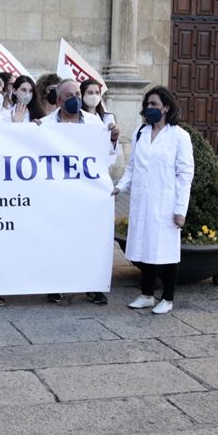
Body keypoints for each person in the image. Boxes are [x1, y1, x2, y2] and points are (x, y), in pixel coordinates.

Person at [40, 79, 121, 305]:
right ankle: (55, 285)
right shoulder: (44, 125)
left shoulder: (96, 124)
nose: (74, 98)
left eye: (77, 93)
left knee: (89, 241)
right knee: (57, 240)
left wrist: (112, 140)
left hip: (87, 195)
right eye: (68, 95)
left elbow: (109, 160)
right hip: (58, 195)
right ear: (58, 100)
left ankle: (92, 286)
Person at [114, 86, 194, 315]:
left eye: (154, 105)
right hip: (142, 202)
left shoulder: (179, 136)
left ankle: (168, 298)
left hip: (166, 203)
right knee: (144, 248)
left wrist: (181, 210)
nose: (149, 108)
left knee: (166, 252)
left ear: (166, 108)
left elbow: (185, 175)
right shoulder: (141, 132)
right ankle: (147, 294)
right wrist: (119, 187)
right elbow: (132, 168)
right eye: (147, 104)